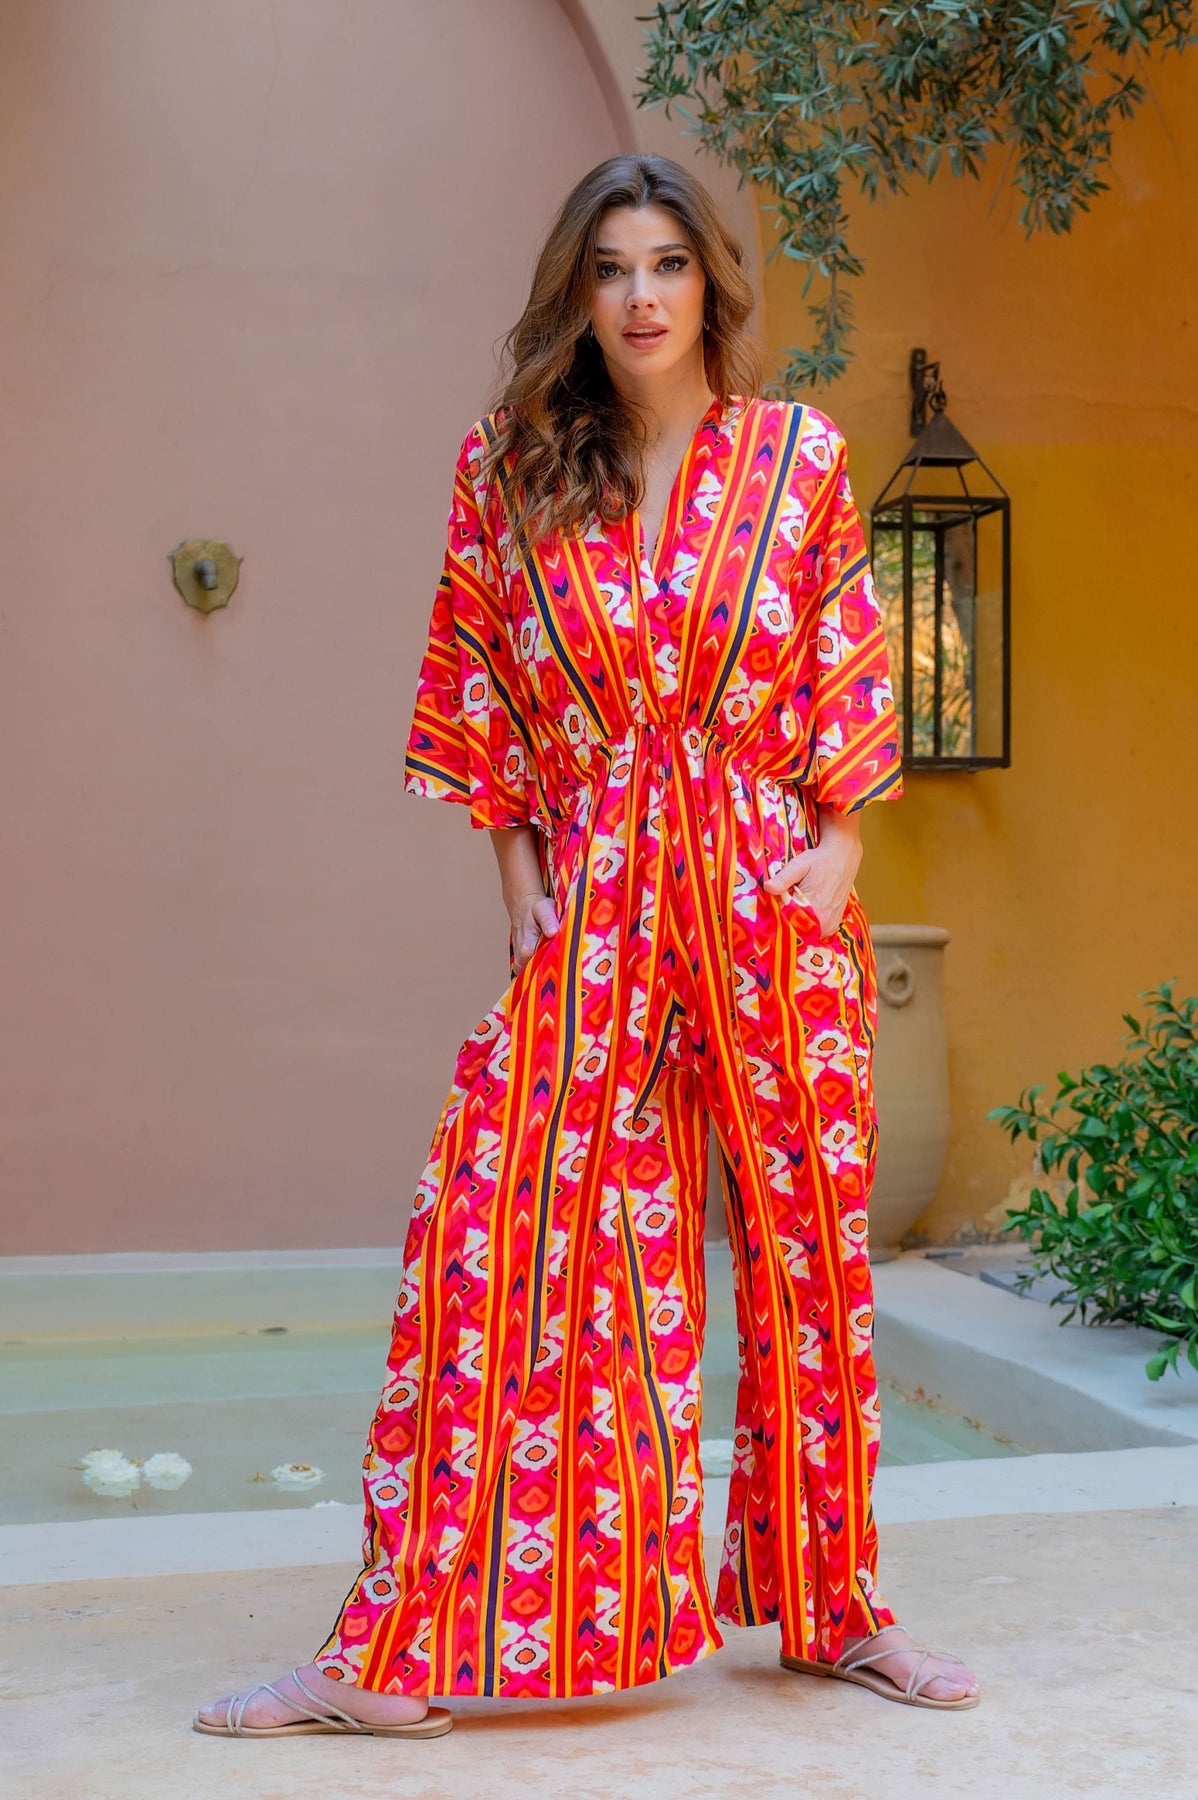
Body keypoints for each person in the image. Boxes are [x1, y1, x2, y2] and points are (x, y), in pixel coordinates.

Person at [195, 153, 980, 1740]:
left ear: (708, 285)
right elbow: (474, 680)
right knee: (494, 1240)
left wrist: (837, 852)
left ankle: (837, 1610)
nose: (639, 295)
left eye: (666, 263)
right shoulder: (512, 468)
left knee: (808, 1253)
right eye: (610, 267)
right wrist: (516, 878)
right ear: (576, 290)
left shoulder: (796, 458)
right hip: (602, 882)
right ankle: (390, 1652)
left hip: (764, 888)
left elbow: (843, 663)